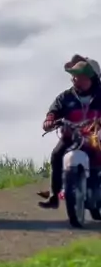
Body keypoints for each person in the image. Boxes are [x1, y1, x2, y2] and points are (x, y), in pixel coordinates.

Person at [38, 55, 101, 210]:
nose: (73, 79)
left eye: (78, 76)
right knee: (56, 155)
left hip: (95, 137)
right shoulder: (66, 97)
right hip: (71, 136)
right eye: (73, 76)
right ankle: (54, 195)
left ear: (90, 79)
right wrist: (49, 120)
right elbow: (54, 111)